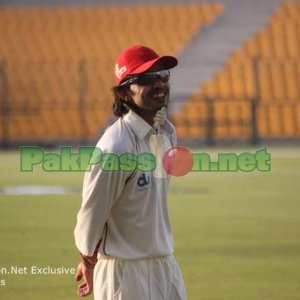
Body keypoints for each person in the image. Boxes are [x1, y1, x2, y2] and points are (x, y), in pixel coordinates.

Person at [74, 45, 187, 300]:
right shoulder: (116, 147)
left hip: (165, 266)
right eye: (147, 78)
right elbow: (91, 214)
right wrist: (88, 259)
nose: (159, 84)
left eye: (163, 75)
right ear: (125, 93)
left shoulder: (166, 134)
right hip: (124, 275)